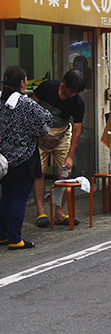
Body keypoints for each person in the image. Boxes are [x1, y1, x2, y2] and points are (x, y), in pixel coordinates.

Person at [0, 66, 52, 250]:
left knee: (6, 196)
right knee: (19, 199)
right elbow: (45, 123)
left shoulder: (1, 100)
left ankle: (3, 235)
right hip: (24, 157)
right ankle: (15, 239)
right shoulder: (25, 103)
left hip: (4, 158)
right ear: (22, 83)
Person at [33, 69, 85, 227]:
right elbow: (31, 106)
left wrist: (70, 156)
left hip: (62, 136)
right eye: (72, 91)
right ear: (63, 84)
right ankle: (41, 212)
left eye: (77, 92)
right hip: (40, 135)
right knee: (39, 173)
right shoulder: (47, 88)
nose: (74, 95)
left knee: (65, 174)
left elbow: (77, 131)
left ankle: (59, 213)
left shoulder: (77, 102)